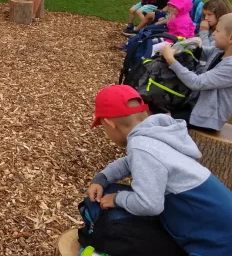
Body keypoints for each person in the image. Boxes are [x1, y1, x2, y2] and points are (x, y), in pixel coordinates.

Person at [88, 84, 232, 255]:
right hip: (217, 218)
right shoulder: (158, 133)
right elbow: (129, 162)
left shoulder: (142, 146)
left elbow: (149, 205)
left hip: (214, 240)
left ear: (109, 123)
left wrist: (117, 199)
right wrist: (103, 178)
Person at [160, 13, 232, 131]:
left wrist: (171, 60)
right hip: (194, 105)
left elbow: (197, 83)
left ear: (230, 38)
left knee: (159, 122)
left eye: (217, 31)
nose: (213, 33)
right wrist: (182, 45)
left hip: (205, 118)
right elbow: (199, 50)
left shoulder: (230, 66)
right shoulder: (219, 51)